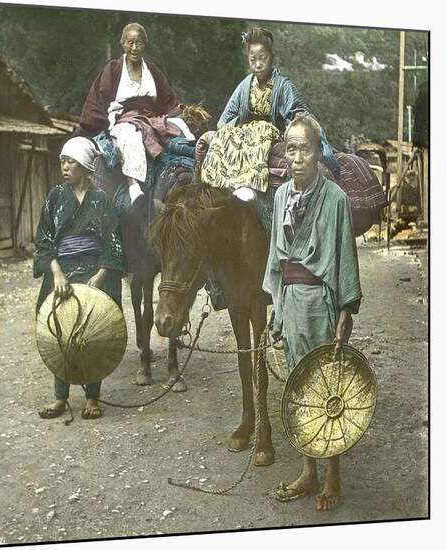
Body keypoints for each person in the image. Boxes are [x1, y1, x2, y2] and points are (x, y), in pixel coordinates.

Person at [263, 113, 362, 511]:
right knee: (297, 389)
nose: (298, 157)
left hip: (320, 304)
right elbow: (274, 256)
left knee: (328, 390)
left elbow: (343, 256)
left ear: (318, 153)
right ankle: (308, 470)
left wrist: (345, 309)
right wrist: (275, 308)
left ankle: (333, 473)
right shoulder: (282, 195)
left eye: (305, 148)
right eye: (291, 149)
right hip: (289, 301)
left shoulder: (335, 198)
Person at [199, 27, 339, 228]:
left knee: (261, 132)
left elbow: (299, 113)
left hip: (272, 131)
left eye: (262, 58)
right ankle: (226, 184)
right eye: (252, 59)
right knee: (220, 136)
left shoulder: (283, 85)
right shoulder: (245, 85)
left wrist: (293, 131)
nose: (257, 64)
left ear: (272, 57)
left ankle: (250, 185)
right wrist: (234, 128)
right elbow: (225, 118)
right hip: (246, 130)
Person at [34, 137, 125, 420]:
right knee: (58, 329)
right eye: (62, 161)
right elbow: (44, 241)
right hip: (61, 270)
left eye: (70, 161)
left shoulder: (101, 201)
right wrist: (57, 273)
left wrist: (100, 276)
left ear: (85, 166)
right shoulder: (55, 197)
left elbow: (113, 243)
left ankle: (92, 396)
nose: (64, 166)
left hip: (95, 271)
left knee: (92, 331)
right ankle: (60, 396)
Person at [74, 22, 195, 210]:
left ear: (144, 45)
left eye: (138, 43)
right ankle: (133, 184)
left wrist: (180, 113)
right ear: (122, 44)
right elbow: (98, 100)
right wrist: (88, 128)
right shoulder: (113, 69)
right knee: (131, 135)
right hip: (124, 118)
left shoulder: (152, 70)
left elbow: (168, 99)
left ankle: (192, 169)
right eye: (130, 43)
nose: (134, 48)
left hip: (151, 117)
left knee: (178, 126)